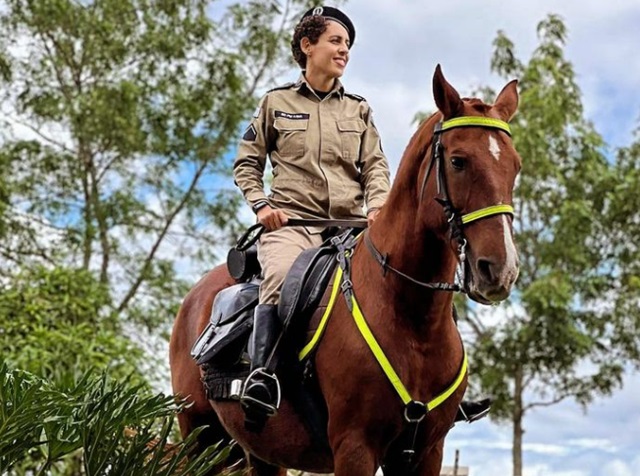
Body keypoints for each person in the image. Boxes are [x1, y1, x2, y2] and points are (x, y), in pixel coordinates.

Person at [233, 5, 491, 426]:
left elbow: (375, 166)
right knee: (280, 276)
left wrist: (377, 205)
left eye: (348, 44)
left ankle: (445, 389)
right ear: (307, 45)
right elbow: (247, 163)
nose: (344, 51)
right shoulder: (275, 103)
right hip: (293, 225)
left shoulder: (358, 109)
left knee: (423, 277)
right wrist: (262, 205)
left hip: (349, 228)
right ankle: (263, 376)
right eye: (335, 41)